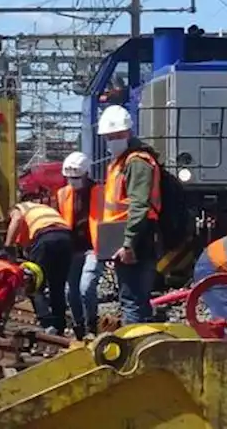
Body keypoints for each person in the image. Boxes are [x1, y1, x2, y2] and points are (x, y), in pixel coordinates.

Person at [97, 105, 160, 326]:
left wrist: (128, 244)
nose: (112, 140)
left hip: (135, 237)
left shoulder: (136, 162)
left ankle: (135, 346)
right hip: (124, 236)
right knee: (135, 299)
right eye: (109, 137)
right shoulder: (122, 162)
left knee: (132, 299)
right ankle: (143, 343)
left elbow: (139, 205)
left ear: (128, 133)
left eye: (117, 136)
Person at [2, 200, 71, 334]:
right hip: (66, 238)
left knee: (34, 284)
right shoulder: (42, 209)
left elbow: (16, 220)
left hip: (45, 238)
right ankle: (59, 325)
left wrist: (8, 247)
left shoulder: (18, 208)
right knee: (57, 285)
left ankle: (47, 324)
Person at [57, 151, 103, 339]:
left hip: (94, 247)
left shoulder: (100, 191)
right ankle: (78, 328)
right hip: (72, 248)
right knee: (71, 291)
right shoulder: (63, 193)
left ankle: (91, 324)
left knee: (86, 287)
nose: (72, 181)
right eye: (69, 178)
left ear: (86, 174)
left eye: (76, 177)